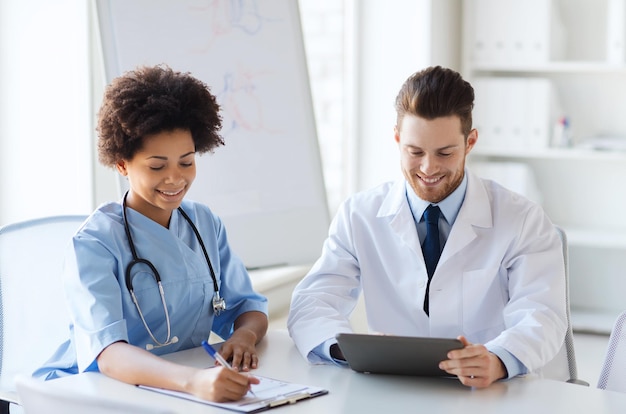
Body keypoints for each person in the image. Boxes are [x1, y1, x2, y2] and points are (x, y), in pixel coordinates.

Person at [287, 66, 567, 388]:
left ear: (470, 142)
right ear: (397, 138)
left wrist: (499, 358)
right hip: (394, 389)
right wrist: (348, 350)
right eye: (414, 151)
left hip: (490, 392)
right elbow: (312, 302)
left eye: (445, 153)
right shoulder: (359, 215)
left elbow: (543, 314)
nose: (428, 168)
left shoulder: (522, 219)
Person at [34, 65, 268, 402]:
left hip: (173, 387)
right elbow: (109, 353)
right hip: (91, 393)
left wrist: (244, 336)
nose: (175, 179)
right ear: (122, 164)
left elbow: (248, 306)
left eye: (186, 162)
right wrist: (193, 382)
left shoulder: (205, 224)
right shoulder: (95, 243)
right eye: (157, 166)